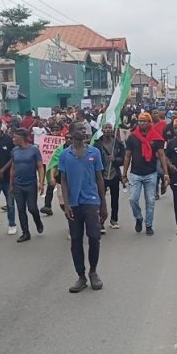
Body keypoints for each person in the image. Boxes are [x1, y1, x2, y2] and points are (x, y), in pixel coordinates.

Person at [59, 122, 107, 293]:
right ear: (71, 133)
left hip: (91, 201)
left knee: (94, 237)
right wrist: (66, 204)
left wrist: (103, 204)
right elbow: (63, 180)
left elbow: (99, 178)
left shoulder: (94, 152)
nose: (84, 131)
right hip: (74, 203)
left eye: (84, 129)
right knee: (76, 240)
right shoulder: (64, 155)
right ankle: (81, 276)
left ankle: (93, 271)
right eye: (79, 129)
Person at [122, 112, 168, 236]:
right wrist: (124, 174)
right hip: (135, 174)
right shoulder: (132, 137)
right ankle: (138, 218)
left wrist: (166, 173)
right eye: (140, 121)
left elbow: (162, 156)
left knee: (151, 201)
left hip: (151, 174)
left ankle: (148, 225)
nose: (142, 123)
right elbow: (127, 156)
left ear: (149, 122)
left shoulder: (156, 137)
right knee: (133, 199)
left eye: (144, 121)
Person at [10, 128, 45, 243]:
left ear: (22, 137)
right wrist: (11, 184)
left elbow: (40, 166)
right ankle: (25, 233)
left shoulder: (34, 150)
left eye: (15, 137)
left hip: (30, 184)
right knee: (20, 209)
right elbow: (13, 168)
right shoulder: (14, 151)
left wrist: (41, 182)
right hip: (18, 185)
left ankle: (38, 221)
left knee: (32, 208)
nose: (13, 139)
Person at [93, 122, 125, 230]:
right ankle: (100, 221)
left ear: (112, 130)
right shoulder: (97, 144)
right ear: (102, 130)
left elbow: (123, 159)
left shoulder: (118, 143)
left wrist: (115, 160)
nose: (108, 130)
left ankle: (114, 220)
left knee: (115, 199)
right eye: (105, 128)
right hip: (101, 176)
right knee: (100, 199)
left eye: (110, 128)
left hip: (114, 174)